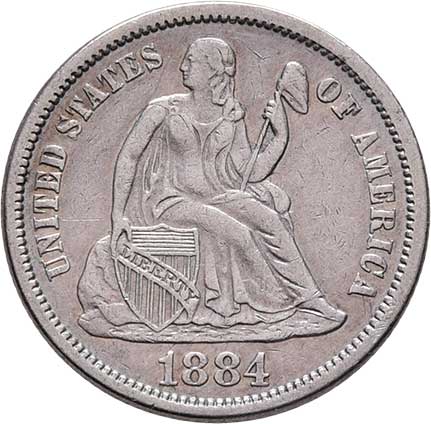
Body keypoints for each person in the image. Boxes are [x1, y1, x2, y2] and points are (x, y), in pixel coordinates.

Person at [104, 37, 345, 329]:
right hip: (169, 201)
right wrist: (118, 215)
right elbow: (129, 156)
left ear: (213, 70)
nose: (183, 67)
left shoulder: (231, 114)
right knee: (237, 233)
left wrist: (280, 136)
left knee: (270, 219)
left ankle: (310, 298)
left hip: (219, 195)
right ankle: (275, 304)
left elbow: (250, 172)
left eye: (192, 60)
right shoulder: (163, 109)